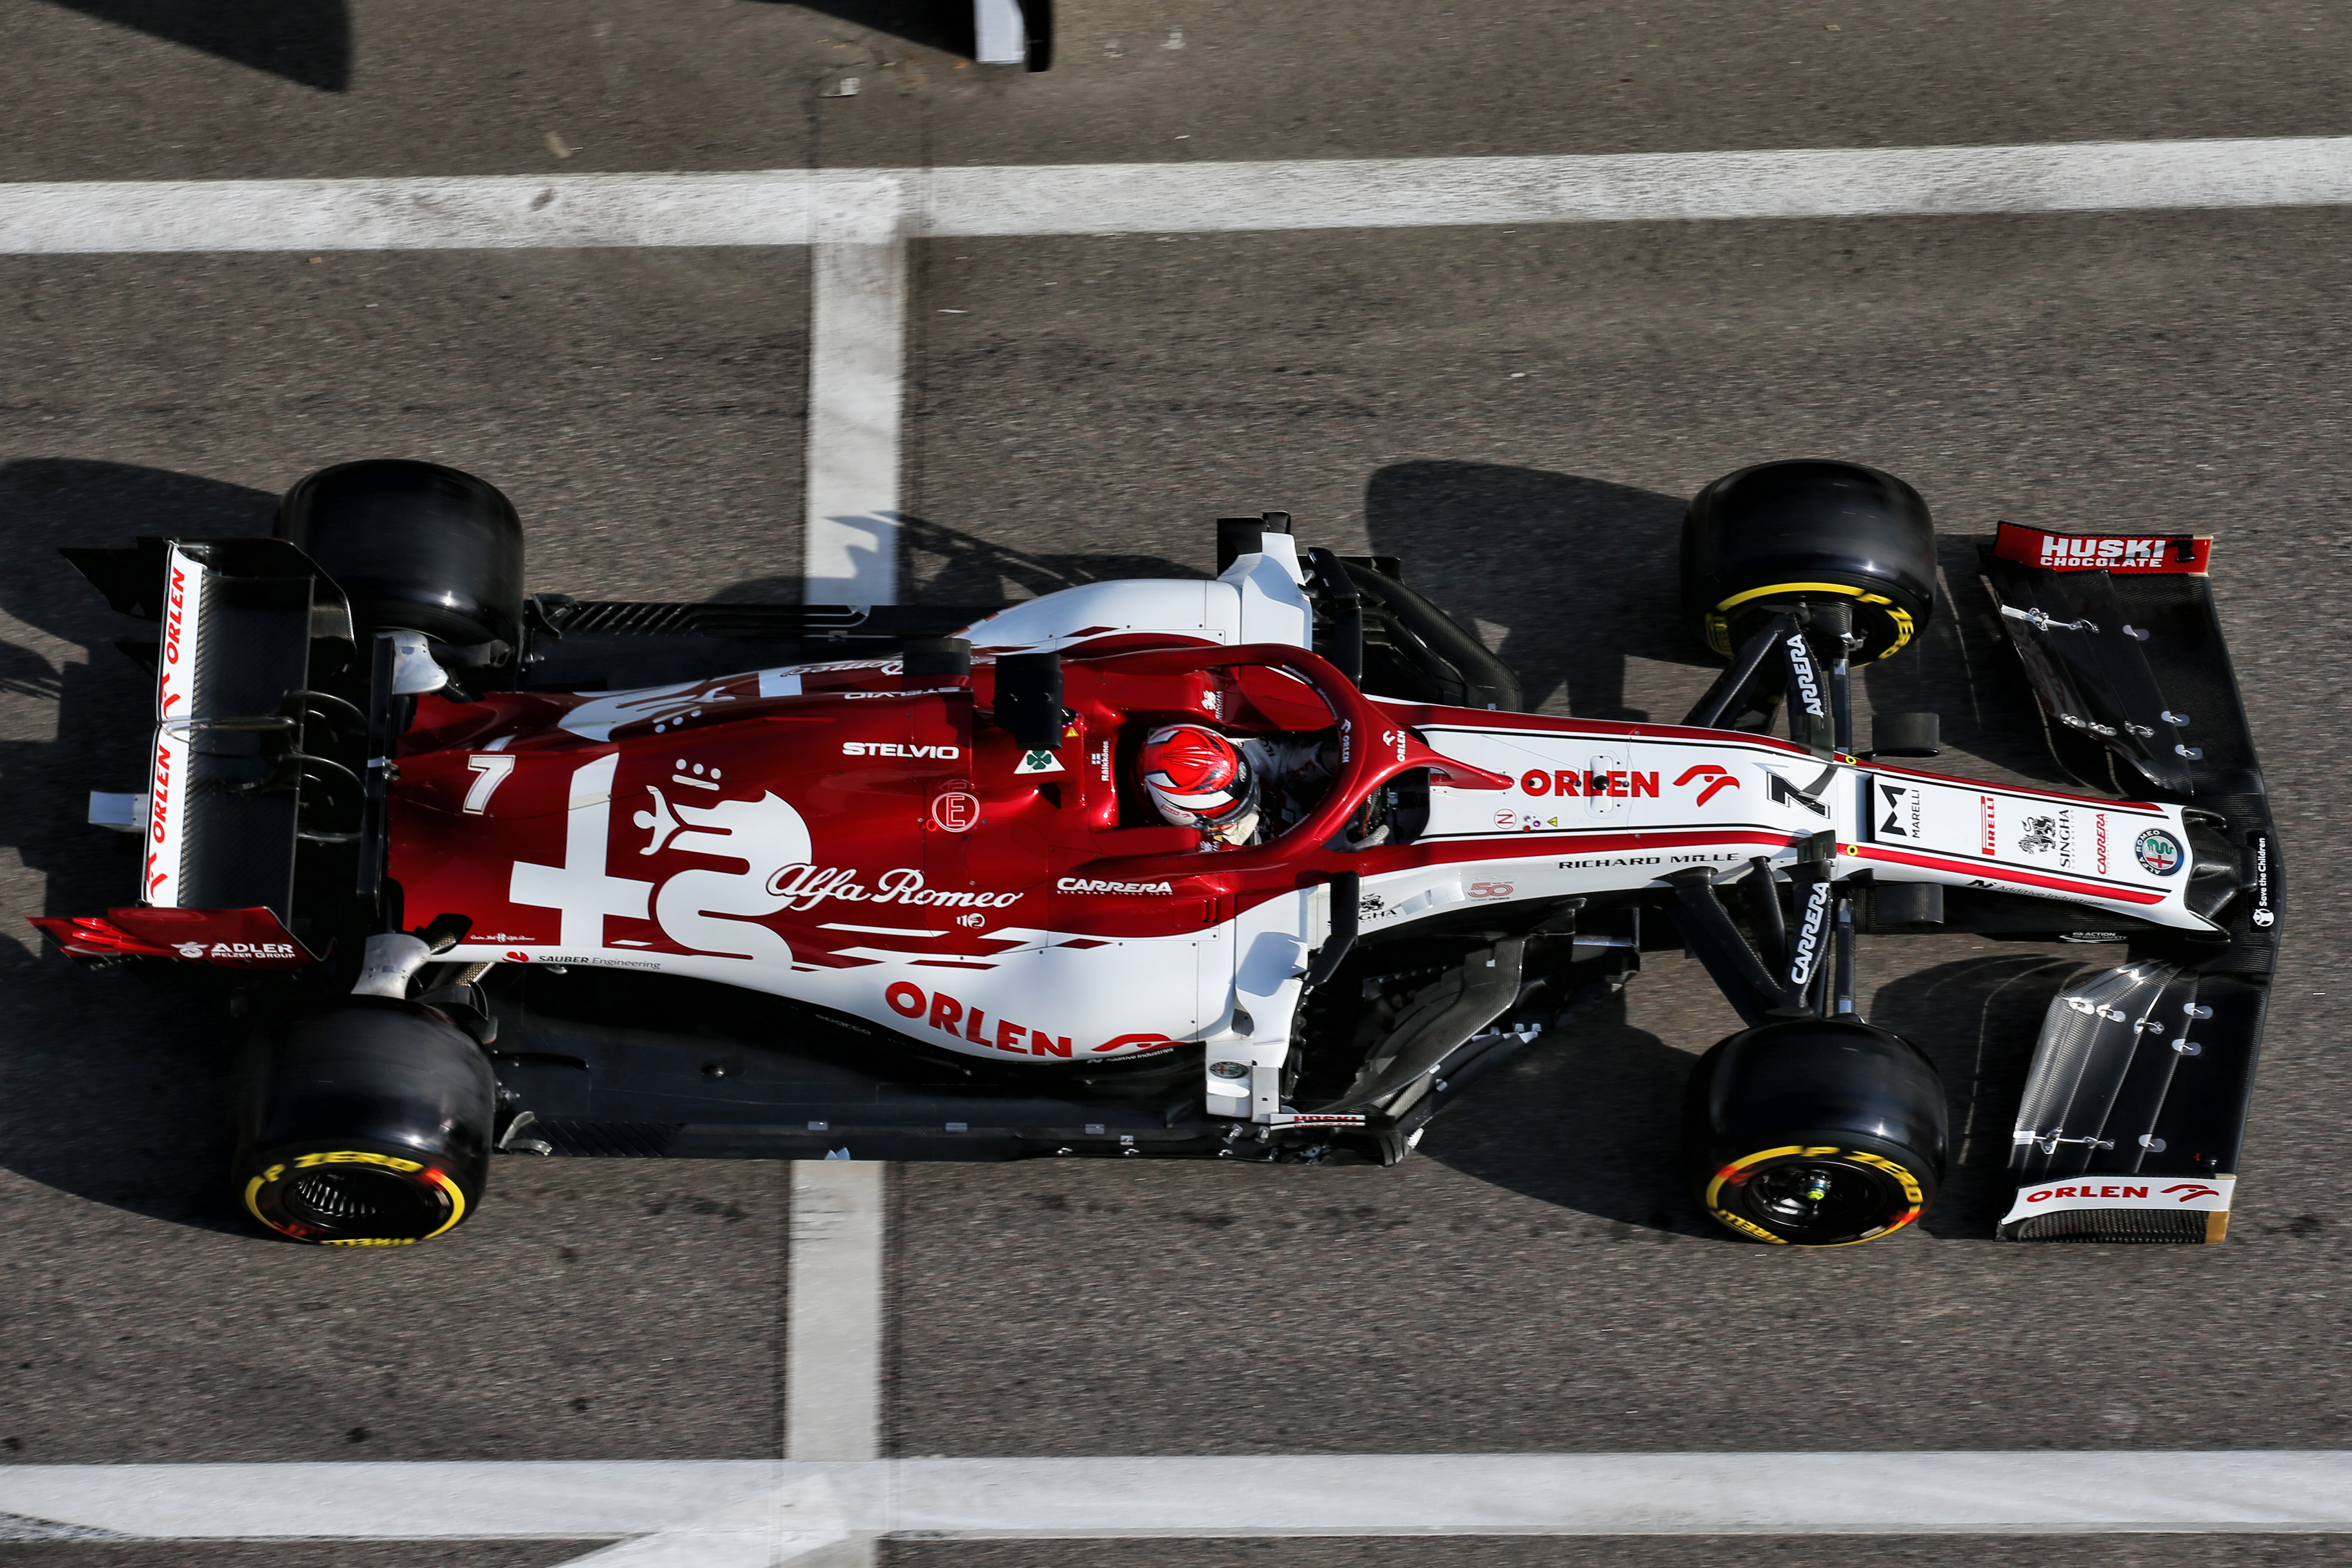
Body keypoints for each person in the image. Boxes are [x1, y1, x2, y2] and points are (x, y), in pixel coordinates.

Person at [1138, 722, 1336, 848]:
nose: (1253, 800)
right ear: (1184, 816)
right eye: (1236, 809)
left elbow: (1283, 759)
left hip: (1326, 816)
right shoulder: (1207, 856)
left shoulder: (1227, 759)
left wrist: (1324, 758)